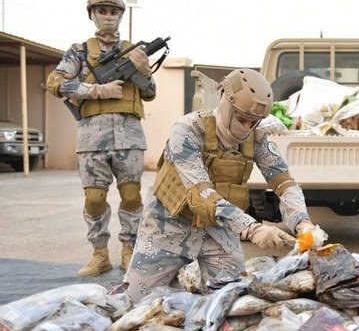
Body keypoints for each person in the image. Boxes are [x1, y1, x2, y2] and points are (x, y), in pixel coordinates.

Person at [124, 68, 322, 302]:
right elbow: (201, 193)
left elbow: (284, 183)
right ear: (227, 106)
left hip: (218, 230)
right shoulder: (188, 130)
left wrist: (303, 222)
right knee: (134, 303)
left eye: (254, 122)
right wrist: (252, 228)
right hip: (168, 226)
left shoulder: (257, 139)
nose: (247, 128)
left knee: (229, 302)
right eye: (242, 119)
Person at [46, 0, 156, 277]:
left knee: (131, 196)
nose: (108, 16)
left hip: (129, 136)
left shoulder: (134, 50)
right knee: (94, 198)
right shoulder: (79, 52)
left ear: (120, 15)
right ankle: (99, 254)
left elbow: (150, 92)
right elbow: (55, 83)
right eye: (102, 11)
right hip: (91, 138)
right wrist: (95, 90)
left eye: (113, 11)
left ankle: (130, 251)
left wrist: (143, 71)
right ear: (92, 15)